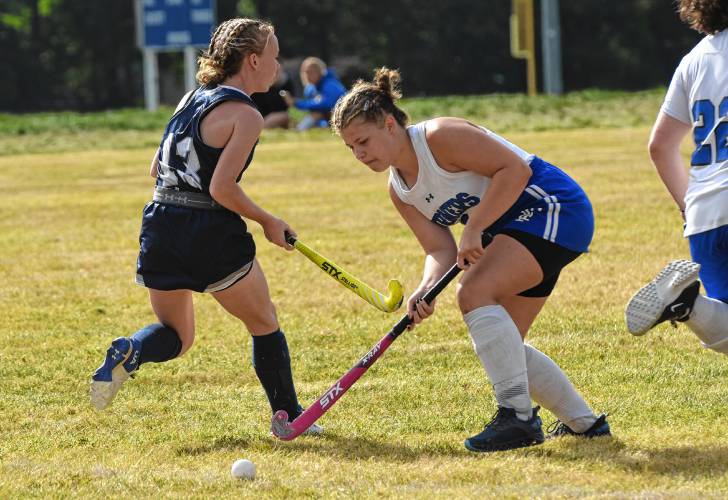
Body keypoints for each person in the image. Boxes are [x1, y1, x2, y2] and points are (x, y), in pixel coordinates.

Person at [330, 68, 610, 453]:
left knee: (474, 291)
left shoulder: (439, 138)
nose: (359, 154)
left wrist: (475, 227)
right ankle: (587, 425)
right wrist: (425, 288)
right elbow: (439, 250)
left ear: (390, 124)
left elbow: (515, 169)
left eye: (363, 141)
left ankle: (518, 419)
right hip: (513, 231)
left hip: (552, 207)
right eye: (351, 148)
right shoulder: (400, 190)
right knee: (505, 348)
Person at [89, 18, 321, 434]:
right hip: (207, 229)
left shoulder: (190, 98)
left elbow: (156, 166)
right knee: (264, 322)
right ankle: (288, 416)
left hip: (159, 222)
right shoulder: (246, 115)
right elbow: (222, 188)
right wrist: (268, 221)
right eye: (274, 56)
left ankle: (132, 350)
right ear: (252, 60)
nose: (278, 64)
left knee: (176, 335)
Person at [625, 0, 728, 356]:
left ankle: (688, 304)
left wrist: (688, 203)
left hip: (706, 213)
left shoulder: (694, 60)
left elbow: (660, 146)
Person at [281, 57, 346, 131]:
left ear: (320, 72)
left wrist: (296, 103)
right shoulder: (310, 88)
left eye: (311, 72)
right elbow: (309, 107)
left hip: (342, 116)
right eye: (305, 72)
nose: (307, 76)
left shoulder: (330, 84)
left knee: (317, 112)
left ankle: (299, 130)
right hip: (325, 120)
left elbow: (325, 104)